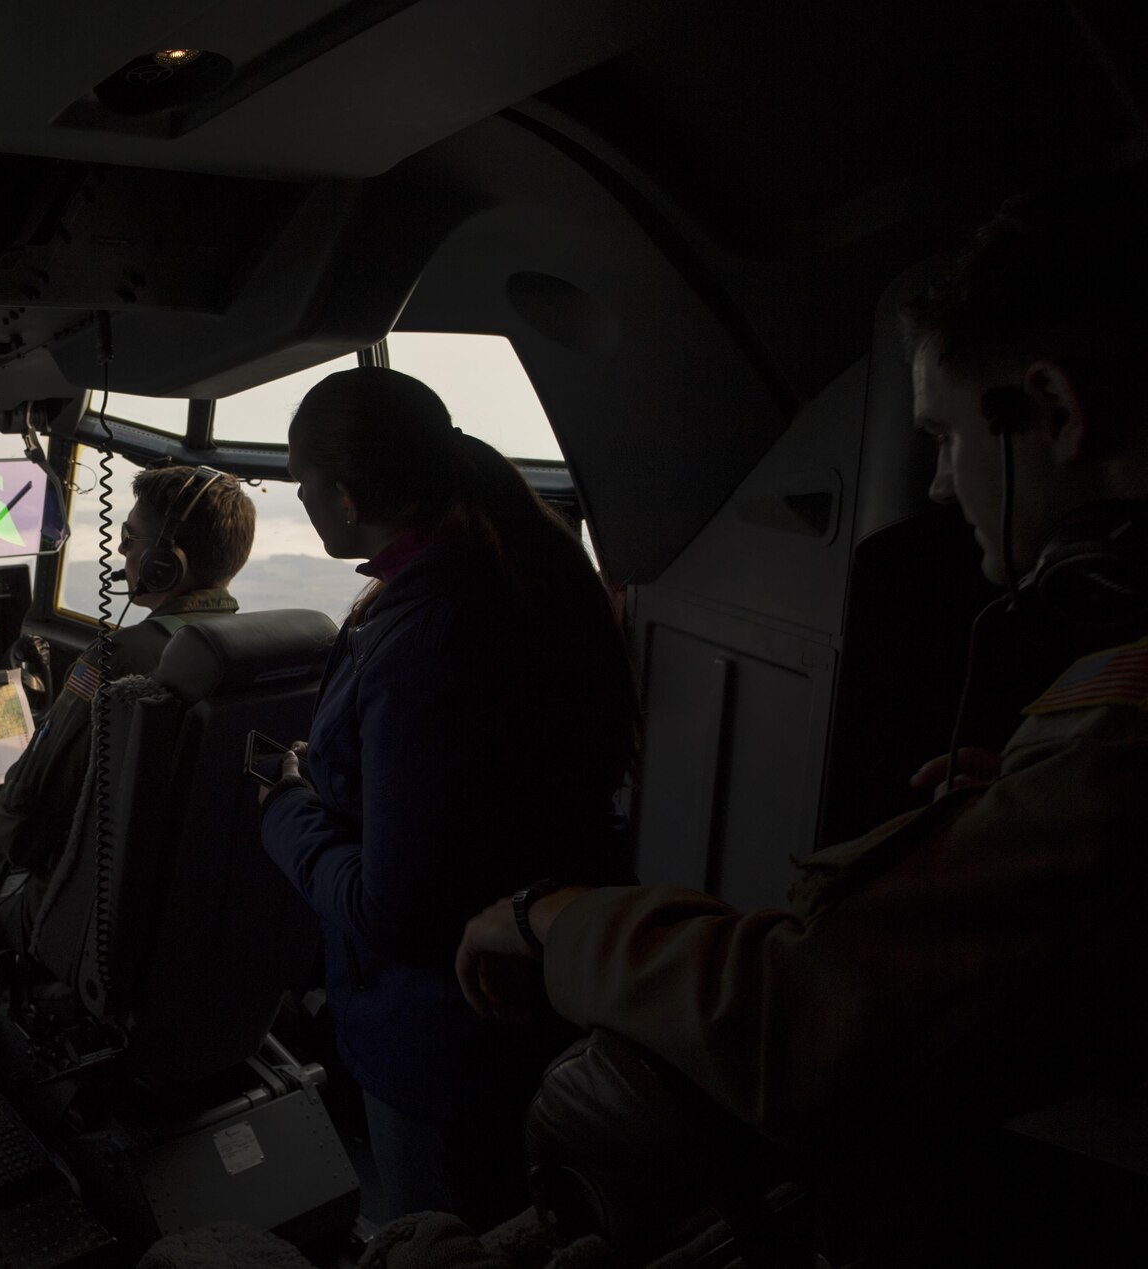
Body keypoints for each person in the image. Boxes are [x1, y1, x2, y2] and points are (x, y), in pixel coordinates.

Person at [455, 169, 1148, 1191]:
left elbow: (799, 1026)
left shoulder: (1120, 735)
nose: (938, 485)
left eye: (945, 437)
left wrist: (541, 919)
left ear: (1049, 408)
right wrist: (1017, 816)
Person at [261, 367, 639, 1229]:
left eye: (302, 482)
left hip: (440, 1044)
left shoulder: (425, 632)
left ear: (347, 496)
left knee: (445, 1237)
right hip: (530, 1011)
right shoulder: (507, 577)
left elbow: (392, 909)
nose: (302, 501)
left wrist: (283, 808)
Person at [0, 465, 255, 941]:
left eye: (130, 538)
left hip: (59, 900)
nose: (122, 551)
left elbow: (21, 829)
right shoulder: (246, 651)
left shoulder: (120, 657)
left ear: (165, 562)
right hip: (174, 909)